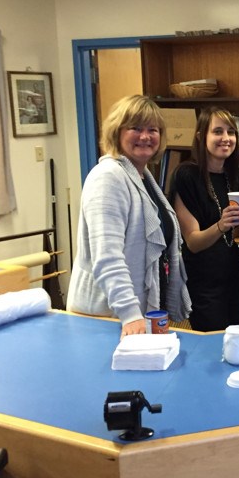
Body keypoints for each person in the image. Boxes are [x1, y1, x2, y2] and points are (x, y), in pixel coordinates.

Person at [67, 95, 191, 337]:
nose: (145, 136)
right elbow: (107, 256)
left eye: (152, 129)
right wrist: (130, 314)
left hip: (138, 314)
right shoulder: (108, 177)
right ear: (117, 132)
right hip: (108, 317)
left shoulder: (144, 177)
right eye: (136, 128)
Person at [169, 107, 239, 331]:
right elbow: (193, 242)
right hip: (202, 278)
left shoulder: (236, 175)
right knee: (210, 343)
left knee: (234, 337)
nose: (226, 138)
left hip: (233, 272)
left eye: (231, 132)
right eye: (218, 131)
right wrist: (221, 225)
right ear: (202, 136)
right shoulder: (186, 175)